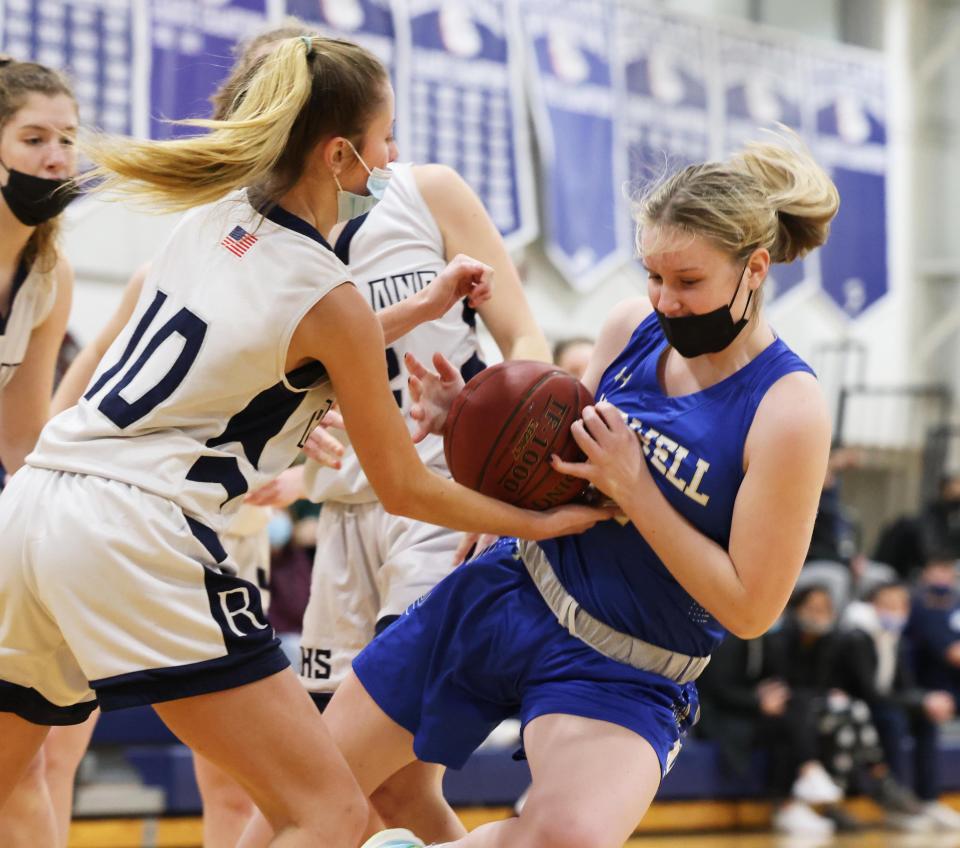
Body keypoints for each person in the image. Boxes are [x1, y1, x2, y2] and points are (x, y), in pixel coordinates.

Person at [0, 36, 606, 848]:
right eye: (386, 140)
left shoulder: (210, 221)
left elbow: (285, 340)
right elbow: (404, 483)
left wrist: (421, 308)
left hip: (34, 505)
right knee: (326, 812)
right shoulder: (328, 290)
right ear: (342, 154)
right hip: (136, 531)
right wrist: (540, 522)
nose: (394, 160)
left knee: (7, 784)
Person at [319, 132, 838, 848]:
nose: (665, 300)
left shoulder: (789, 406)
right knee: (313, 794)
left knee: (567, 840)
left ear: (753, 269)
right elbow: (551, 466)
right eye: (652, 276)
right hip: (513, 588)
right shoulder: (629, 329)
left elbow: (750, 607)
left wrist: (640, 491)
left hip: (626, 665)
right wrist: (466, 417)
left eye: (687, 281)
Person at [245, 153, 550, 844]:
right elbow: (269, 378)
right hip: (344, 512)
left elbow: (525, 341)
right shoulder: (264, 229)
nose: (381, 148)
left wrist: (499, 464)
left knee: (326, 775)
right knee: (397, 787)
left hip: (441, 495)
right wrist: (295, 444)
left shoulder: (427, 189)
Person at [0, 56, 80, 848]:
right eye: (32, 139)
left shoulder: (49, 275)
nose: (57, 158)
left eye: (66, 138)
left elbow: (23, 437)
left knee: (18, 769)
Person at [836, 581, 959, 830]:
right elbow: (870, 693)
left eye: (901, 605)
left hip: (886, 704)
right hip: (857, 709)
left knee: (926, 718)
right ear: (871, 606)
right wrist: (920, 701)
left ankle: (928, 799)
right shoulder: (857, 637)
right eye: (888, 604)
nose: (896, 611)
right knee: (893, 719)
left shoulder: (897, 639)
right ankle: (897, 804)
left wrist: (928, 700)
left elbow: (905, 687)